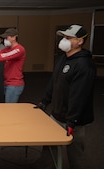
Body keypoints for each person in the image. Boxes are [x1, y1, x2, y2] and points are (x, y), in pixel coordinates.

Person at [34, 24, 96, 169]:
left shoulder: (84, 65)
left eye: (68, 38)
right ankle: (47, 165)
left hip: (75, 119)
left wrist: (72, 120)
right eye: (63, 37)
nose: (64, 40)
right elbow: (54, 82)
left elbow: (80, 95)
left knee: (75, 152)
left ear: (80, 41)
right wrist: (45, 101)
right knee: (49, 146)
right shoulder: (62, 59)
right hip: (56, 113)